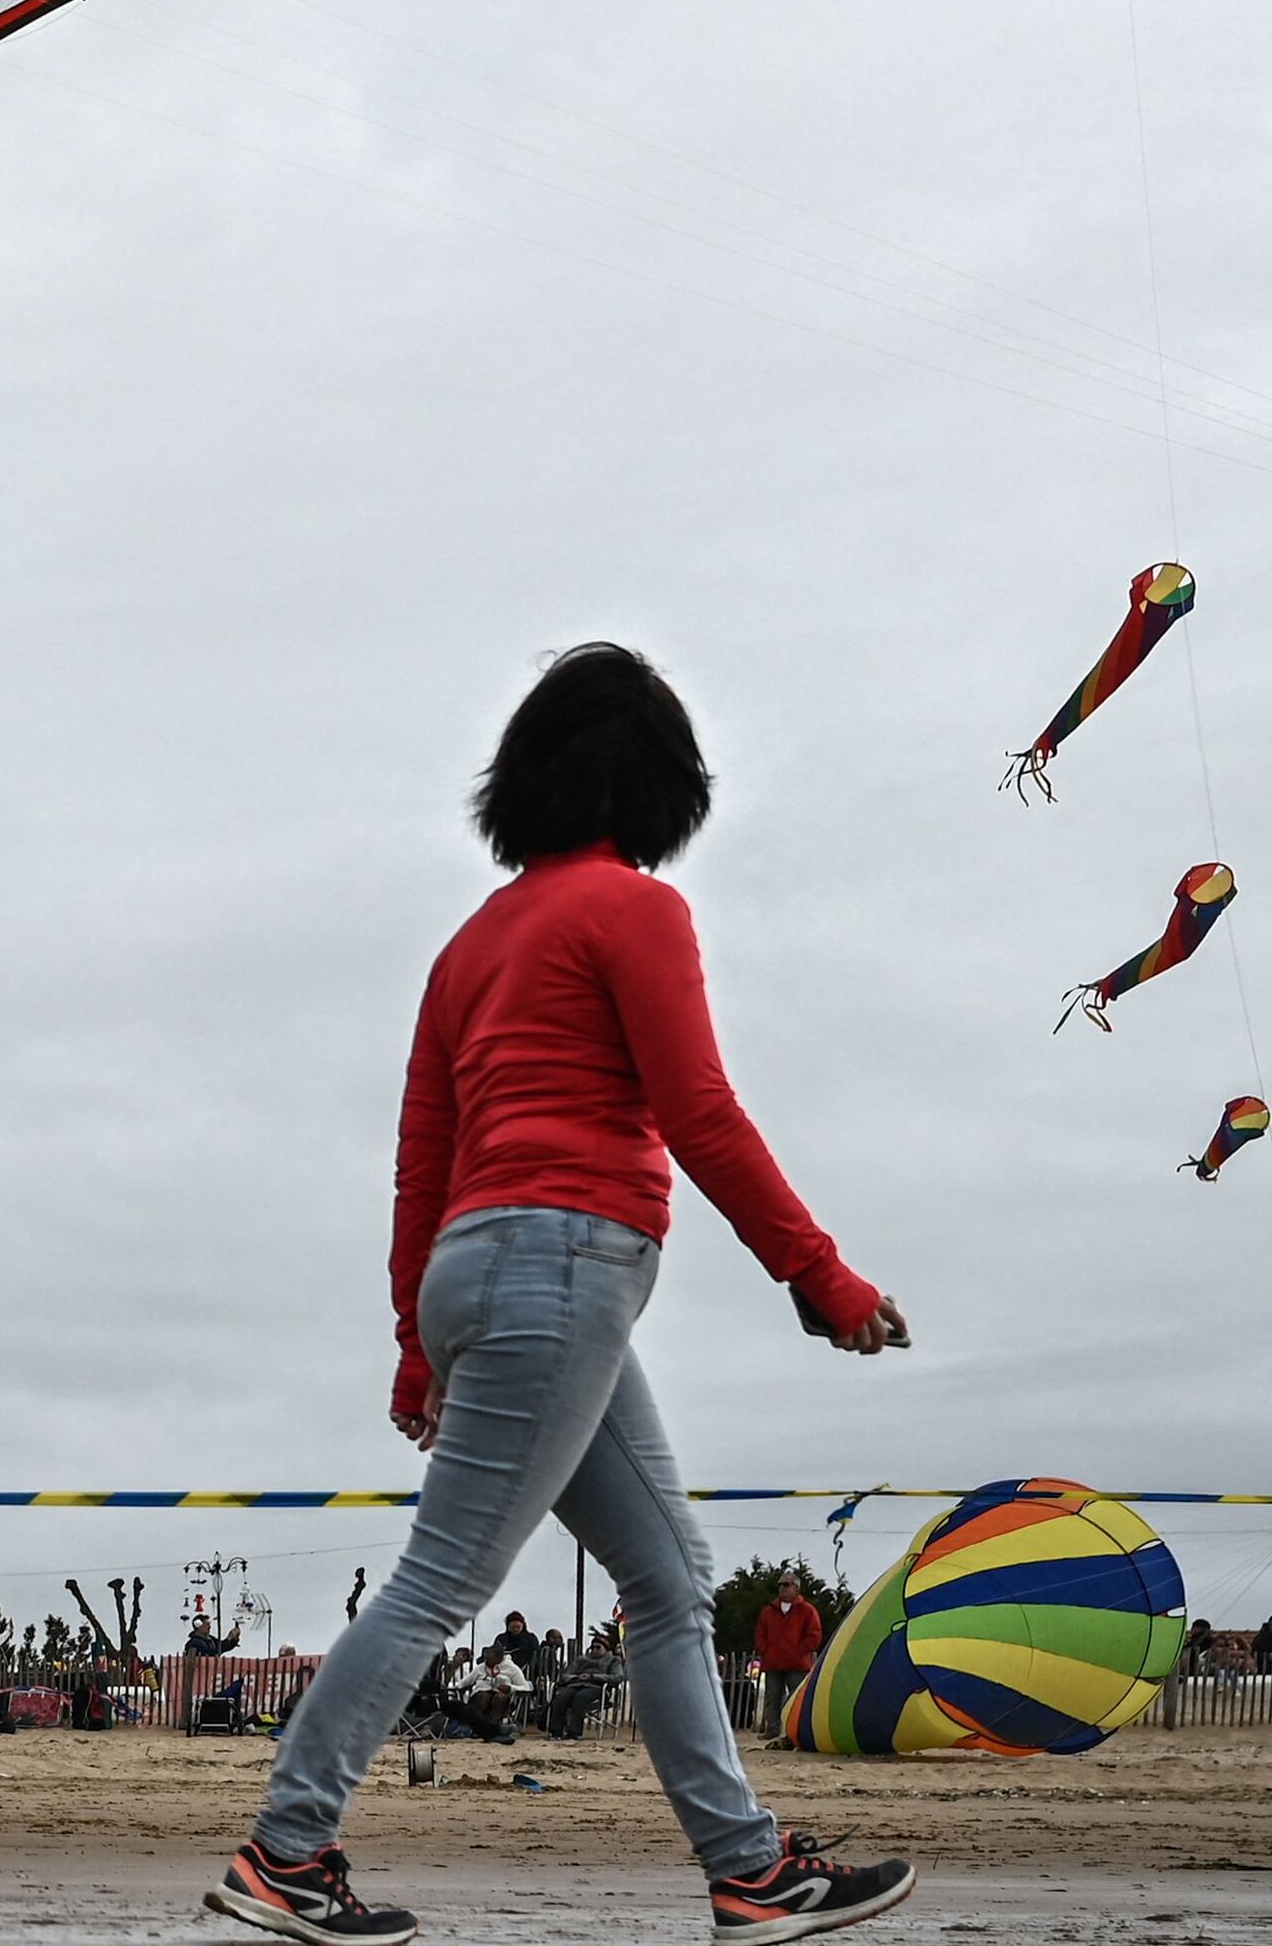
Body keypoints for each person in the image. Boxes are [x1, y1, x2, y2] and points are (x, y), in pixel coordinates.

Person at [209, 645, 917, 1945]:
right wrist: (821, 1277)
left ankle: (748, 1866)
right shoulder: (633, 910)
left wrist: (418, 1344)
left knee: (670, 1575)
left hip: (480, 1269)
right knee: (440, 1580)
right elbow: (698, 1108)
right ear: (657, 780)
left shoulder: (468, 947)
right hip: (565, 1262)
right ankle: (287, 1849)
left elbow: (423, 1159)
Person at [752, 1577, 826, 1740]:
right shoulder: (768, 1612)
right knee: (773, 1698)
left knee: (797, 1699)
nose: (782, 1588)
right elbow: (760, 1634)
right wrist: (765, 1650)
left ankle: (795, 1732)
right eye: (780, 1585)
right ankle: (773, 1729)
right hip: (773, 1663)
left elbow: (814, 1634)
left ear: (796, 1588)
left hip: (797, 1664)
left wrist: (800, 1651)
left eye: (786, 1585)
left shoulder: (807, 1610)